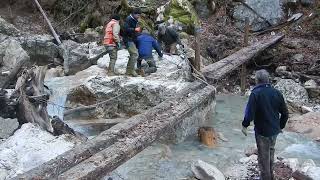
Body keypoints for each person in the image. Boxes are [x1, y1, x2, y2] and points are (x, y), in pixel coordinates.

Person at [242, 69, 289, 180]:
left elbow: (249, 113)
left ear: (257, 80)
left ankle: (266, 177)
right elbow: (285, 113)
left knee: (263, 158)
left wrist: (244, 125)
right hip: (274, 131)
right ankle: (270, 176)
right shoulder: (277, 93)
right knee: (271, 152)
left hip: (262, 132)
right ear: (268, 80)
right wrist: (280, 126)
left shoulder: (255, 94)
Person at [123, 8, 142, 77]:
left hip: (132, 39)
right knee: (134, 54)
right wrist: (135, 29)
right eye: (138, 15)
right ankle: (131, 71)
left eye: (139, 15)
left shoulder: (135, 19)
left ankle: (128, 71)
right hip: (128, 39)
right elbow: (125, 29)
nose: (139, 16)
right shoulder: (128, 19)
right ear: (134, 14)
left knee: (133, 54)